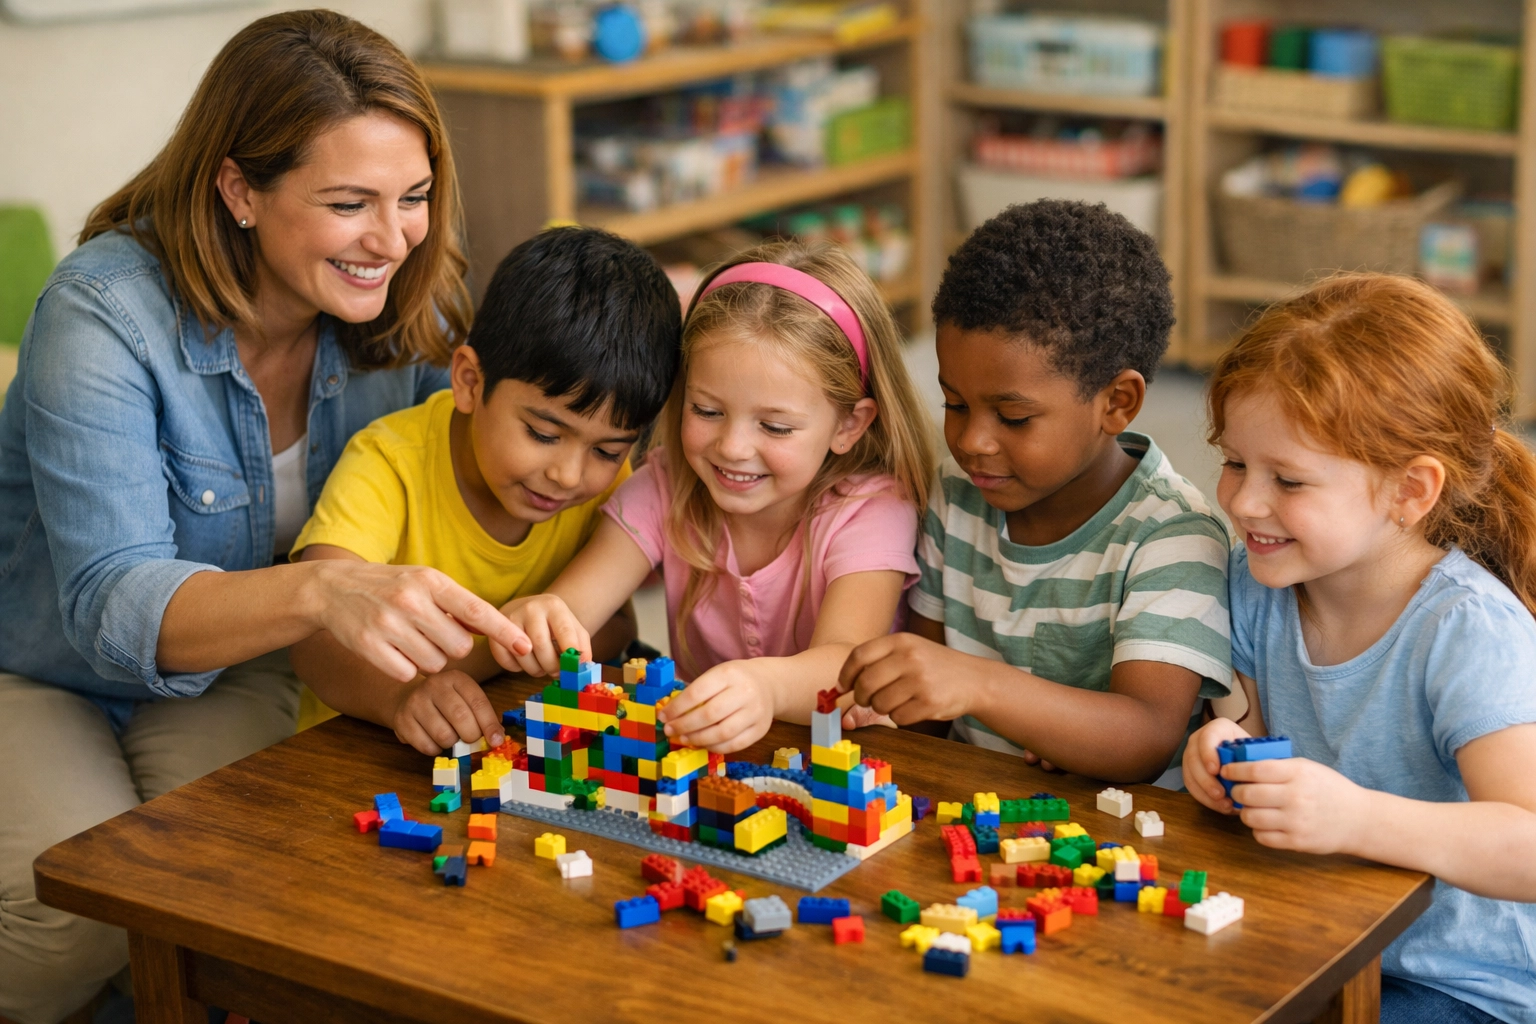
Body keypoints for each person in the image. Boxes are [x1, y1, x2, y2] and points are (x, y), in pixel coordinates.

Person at [0, 12, 532, 1023]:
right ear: (240, 189)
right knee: (82, 916)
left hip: (234, 665)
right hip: (38, 666)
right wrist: (326, 589)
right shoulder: (103, 312)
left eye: (414, 197)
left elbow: (518, 450)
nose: (394, 237)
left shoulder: (412, 307)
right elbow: (112, 602)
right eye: (349, 203)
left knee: (262, 896)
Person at [1183, 274, 1536, 1024]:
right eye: (1236, 462)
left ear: (1410, 492)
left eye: (1290, 479)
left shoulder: (1468, 631)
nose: (1244, 502)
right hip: (1316, 939)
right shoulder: (1259, 582)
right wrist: (1220, 749)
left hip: (1458, 986)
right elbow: (1250, 731)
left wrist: (1355, 818)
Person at [839, 201, 1232, 785]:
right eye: (954, 403)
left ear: (1117, 403)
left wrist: (976, 683)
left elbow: (1147, 736)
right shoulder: (958, 492)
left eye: (1014, 418)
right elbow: (929, 709)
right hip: (978, 815)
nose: (972, 441)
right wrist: (889, 705)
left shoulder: (1174, 536)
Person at [502, 240, 935, 752]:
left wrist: (765, 688)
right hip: (710, 769)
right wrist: (542, 617)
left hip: (848, 770)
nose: (732, 448)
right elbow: (572, 608)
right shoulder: (666, 486)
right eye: (706, 411)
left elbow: (845, 660)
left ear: (849, 424)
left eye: (774, 427)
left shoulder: (872, 511)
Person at [289, 227, 681, 754]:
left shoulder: (607, 482)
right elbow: (314, 640)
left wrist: (533, 637)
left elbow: (616, 627)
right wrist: (401, 698)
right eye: (543, 434)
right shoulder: (387, 464)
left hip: (503, 744)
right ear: (471, 382)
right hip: (361, 746)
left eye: (608, 450)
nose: (569, 475)